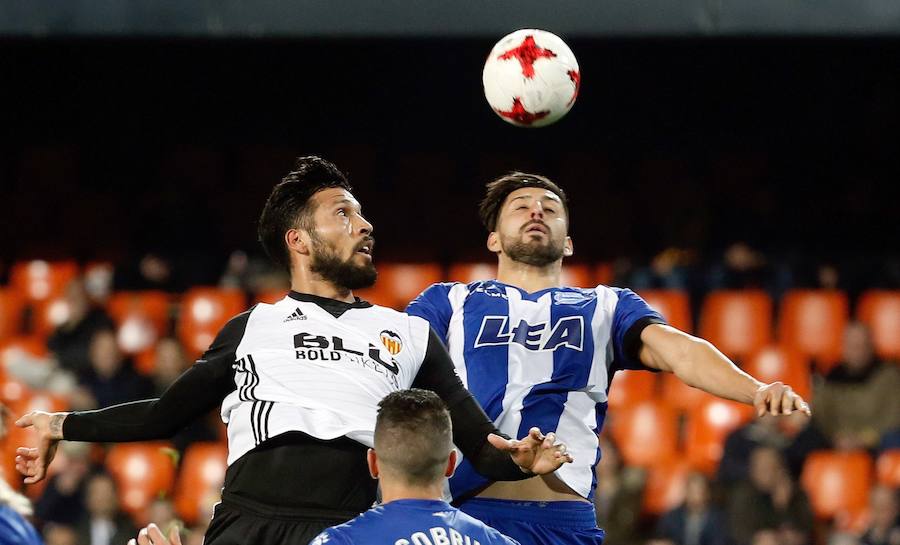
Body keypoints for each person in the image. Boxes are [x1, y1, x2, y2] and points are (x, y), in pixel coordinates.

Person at [15, 157, 571, 545]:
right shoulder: (252, 326)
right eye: (343, 214)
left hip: (354, 527)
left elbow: (481, 445)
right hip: (252, 523)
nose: (365, 224)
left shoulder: (409, 334)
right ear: (299, 240)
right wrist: (58, 425)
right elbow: (165, 414)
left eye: (360, 214)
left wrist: (517, 460)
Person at [406, 172, 811, 545]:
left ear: (568, 242)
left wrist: (755, 388)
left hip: (562, 523)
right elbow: (390, 363)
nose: (536, 211)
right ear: (493, 239)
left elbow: (680, 351)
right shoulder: (450, 302)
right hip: (467, 517)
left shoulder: (606, 306)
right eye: (521, 206)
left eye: (550, 208)